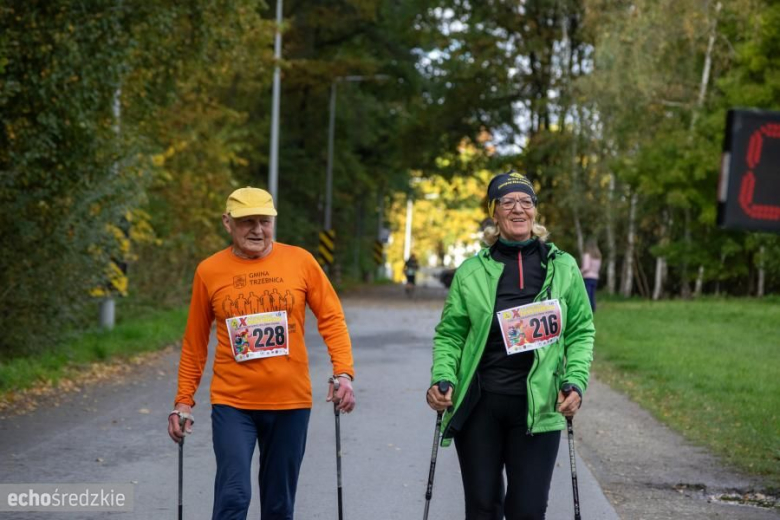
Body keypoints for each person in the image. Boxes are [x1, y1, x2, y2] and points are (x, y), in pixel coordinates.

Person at [167, 187, 356, 520]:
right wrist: (183, 401)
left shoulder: (301, 261)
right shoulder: (209, 271)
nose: (257, 230)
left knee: (278, 505)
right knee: (233, 495)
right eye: (247, 222)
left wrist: (344, 373)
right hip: (233, 403)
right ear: (228, 223)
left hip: (290, 403)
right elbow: (195, 342)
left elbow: (331, 317)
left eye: (264, 221)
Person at [426, 171, 595, 520]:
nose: (519, 209)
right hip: (480, 405)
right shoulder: (472, 271)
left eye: (526, 201)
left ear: (535, 211)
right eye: (508, 202)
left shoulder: (562, 267)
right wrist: (443, 377)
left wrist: (575, 381)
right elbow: (451, 334)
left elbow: (580, 331)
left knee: (529, 511)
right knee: (483, 507)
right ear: (494, 213)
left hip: (539, 408)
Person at [580, 237, 602, 312]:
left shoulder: (587, 255)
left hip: (588, 277)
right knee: (592, 294)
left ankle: (588, 309)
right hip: (595, 277)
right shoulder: (598, 256)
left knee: (587, 294)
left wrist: (579, 271)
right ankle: (593, 308)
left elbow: (586, 267)